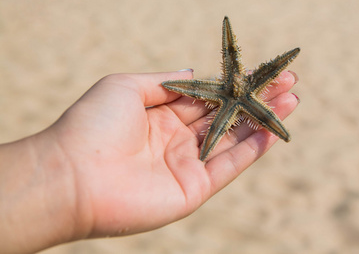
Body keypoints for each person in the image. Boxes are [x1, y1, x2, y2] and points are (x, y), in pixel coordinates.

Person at [0, 69, 299, 253]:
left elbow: (185, 86)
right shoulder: (223, 95)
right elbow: (183, 86)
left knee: (265, 127)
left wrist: (70, 178)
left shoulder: (232, 97)